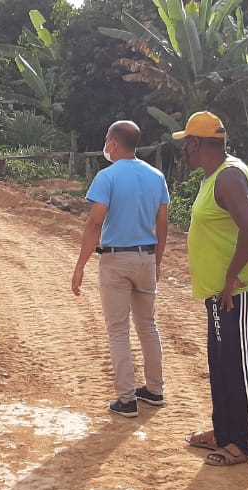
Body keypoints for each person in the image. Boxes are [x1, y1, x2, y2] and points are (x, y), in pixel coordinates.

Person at [176, 111, 248, 467]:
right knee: (220, 361)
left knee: (237, 361)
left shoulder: (229, 176)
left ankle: (244, 444)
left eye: (187, 143)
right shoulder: (213, 176)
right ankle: (223, 432)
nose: (184, 150)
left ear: (198, 144)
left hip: (239, 289)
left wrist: (231, 278)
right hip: (219, 292)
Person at [71, 121, 170, 418]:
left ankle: (127, 399)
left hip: (116, 260)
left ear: (113, 143)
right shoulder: (157, 176)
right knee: (148, 326)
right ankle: (154, 389)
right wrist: (158, 261)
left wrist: (80, 266)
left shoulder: (107, 177)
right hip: (146, 258)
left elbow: (94, 223)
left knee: (118, 330)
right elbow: (163, 223)